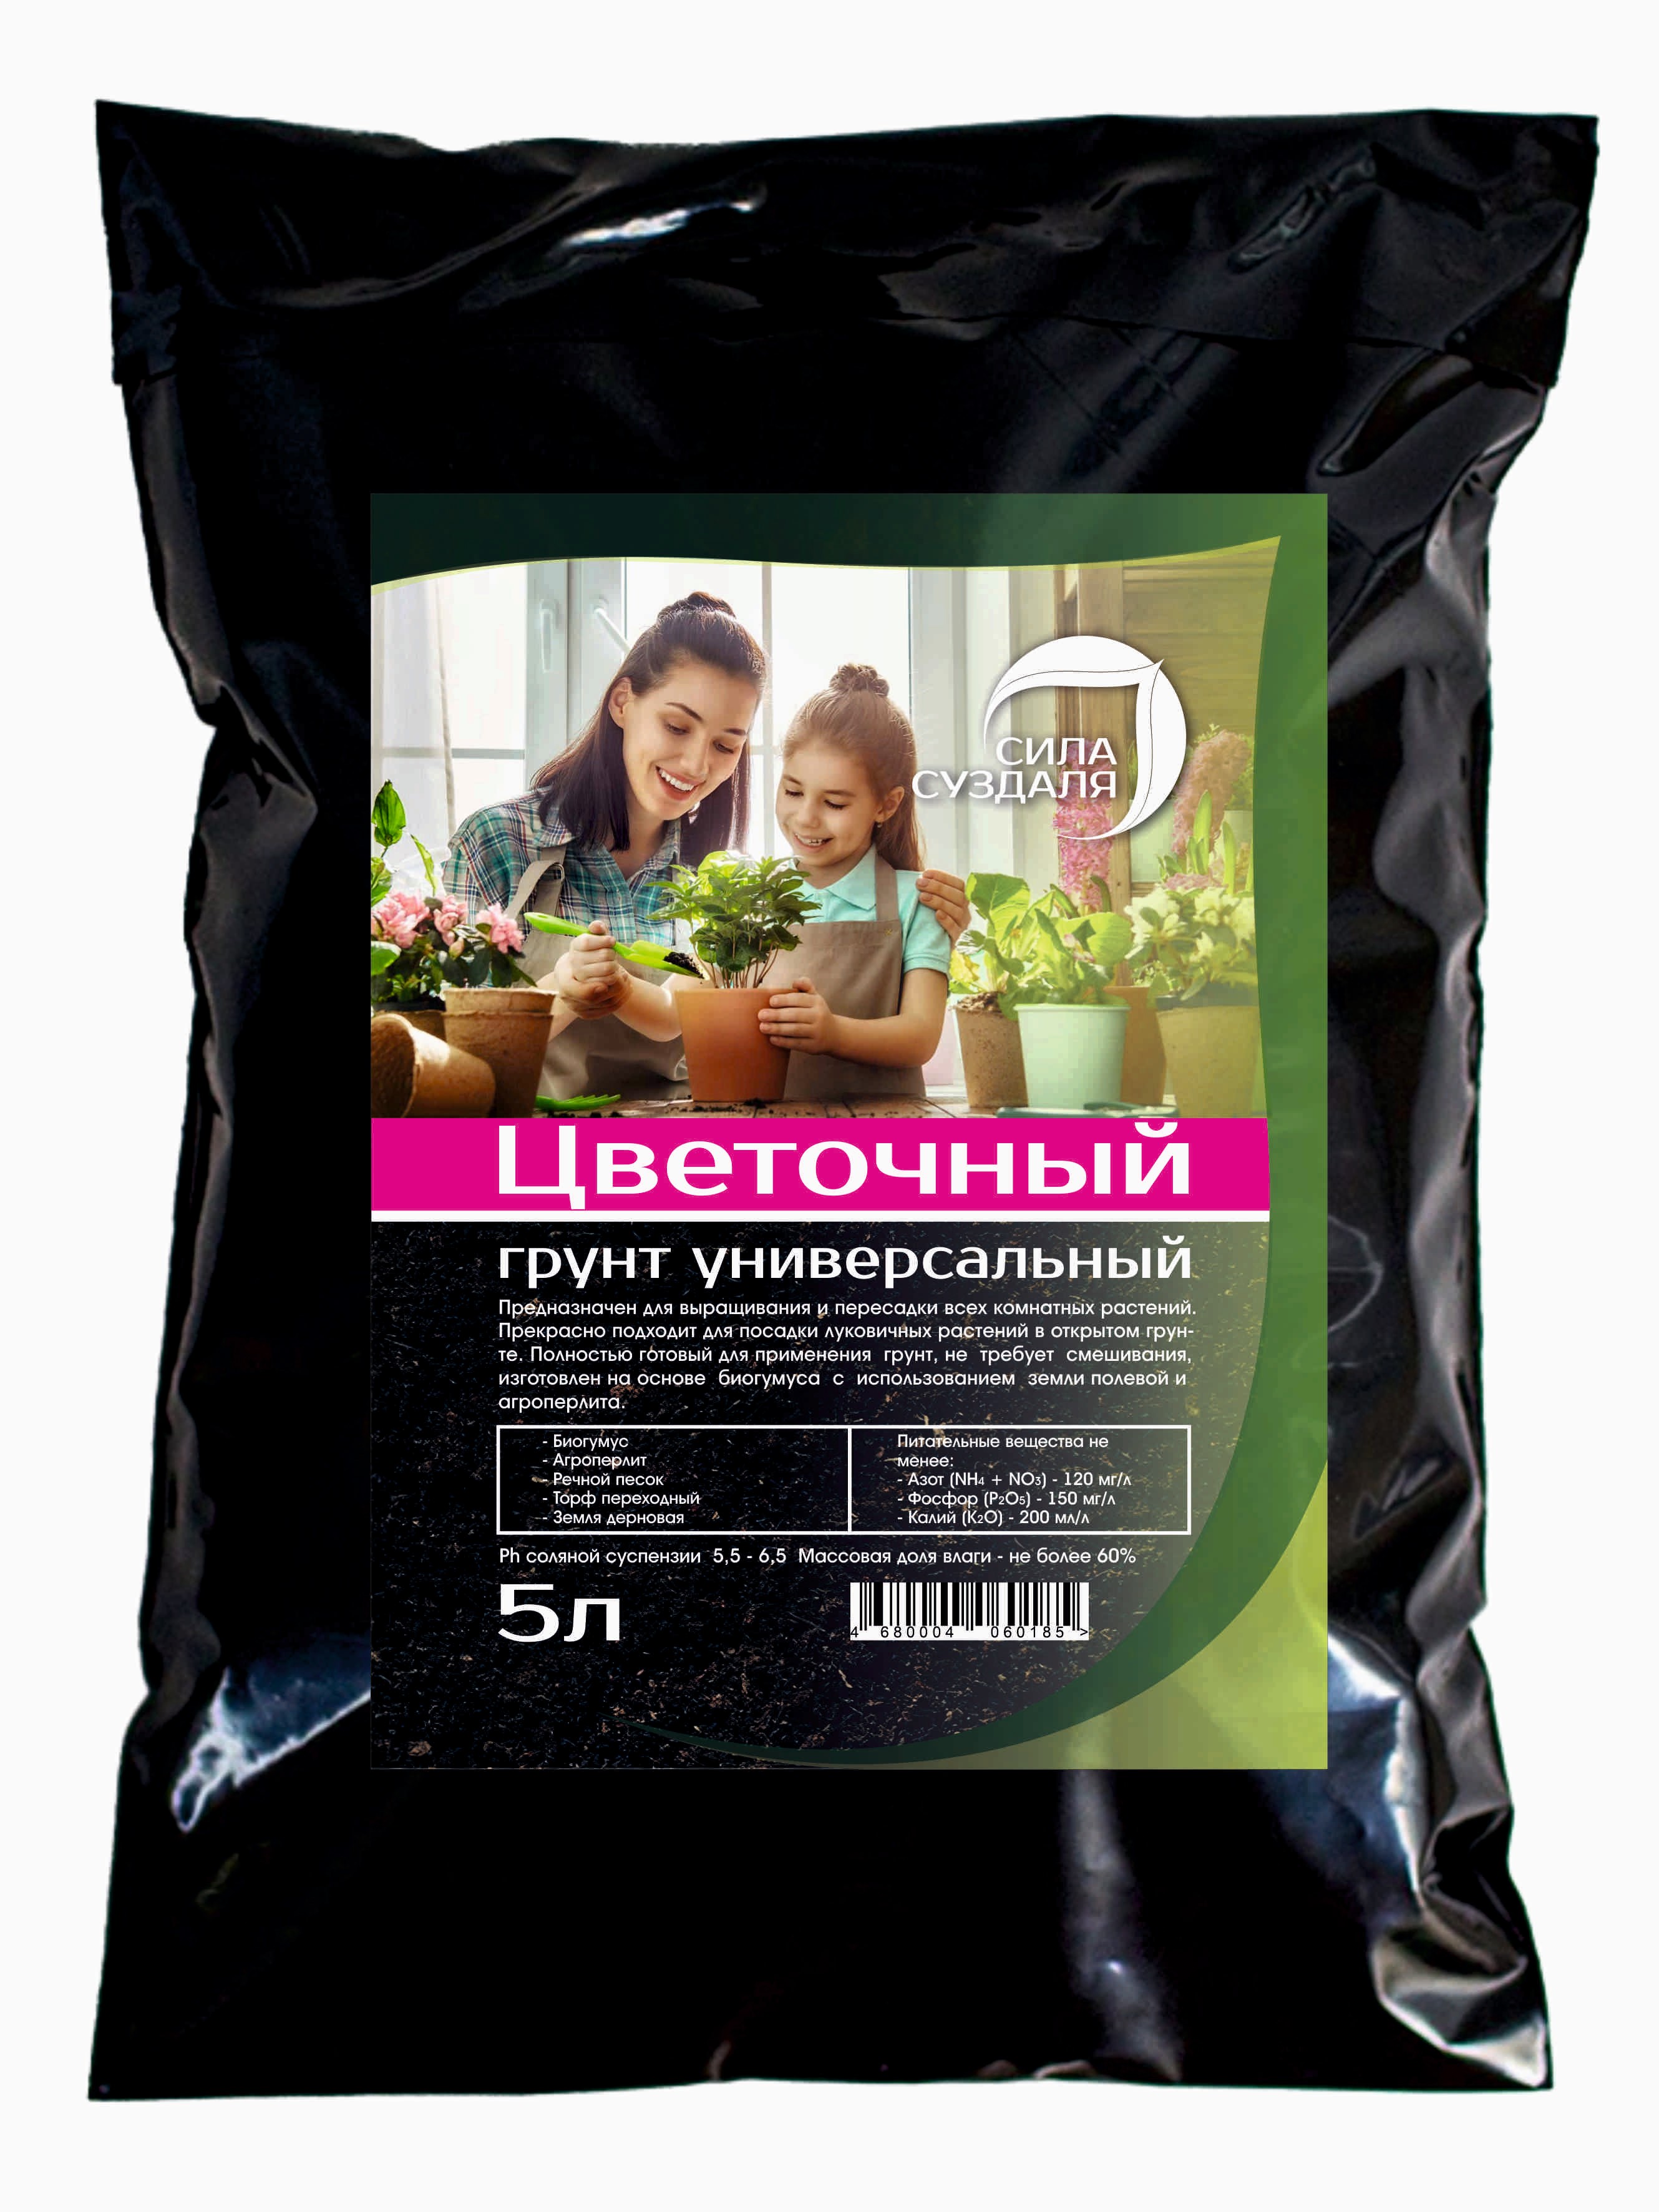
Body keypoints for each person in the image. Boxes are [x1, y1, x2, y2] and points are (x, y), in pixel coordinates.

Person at [458, 592, 968, 1099]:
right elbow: (450, 1054)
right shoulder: (500, 842)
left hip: (696, 1138)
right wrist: (563, 992)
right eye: (677, 726)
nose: (697, 765)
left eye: (726, 745)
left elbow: (672, 1014)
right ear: (622, 702)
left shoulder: (727, 885)